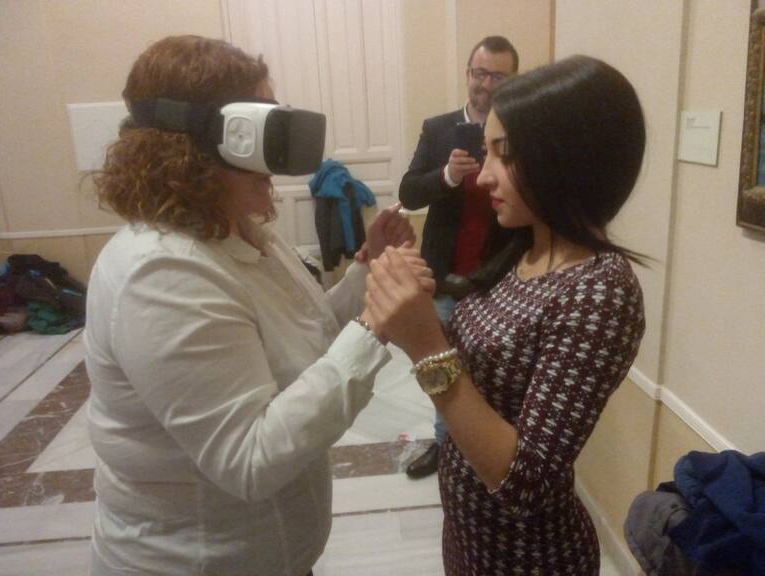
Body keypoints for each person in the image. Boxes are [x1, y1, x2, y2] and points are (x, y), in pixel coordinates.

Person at [84, 35, 431, 576]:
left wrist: (369, 272)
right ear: (200, 146)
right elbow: (249, 460)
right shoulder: (161, 273)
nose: (278, 155)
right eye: (263, 127)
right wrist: (374, 327)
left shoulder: (238, 232)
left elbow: (311, 333)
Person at [365, 55, 647, 575]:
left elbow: (524, 484)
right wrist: (412, 288)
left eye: (504, 154)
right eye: (484, 152)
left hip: (529, 559)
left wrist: (426, 346)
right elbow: (480, 365)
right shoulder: (522, 249)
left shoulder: (598, 289)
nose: (484, 176)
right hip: (468, 536)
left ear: (567, 159)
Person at [399, 35, 519, 478]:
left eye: (499, 76)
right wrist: (447, 175)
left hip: (498, 279)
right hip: (446, 276)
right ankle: (443, 446)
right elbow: (408, 192)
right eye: (480, 73)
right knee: (440, 365)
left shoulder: (520, 132)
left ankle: (481, 450)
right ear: (468, 74)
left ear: (513, 81)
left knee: (490, 371)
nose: (487, 84)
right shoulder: (438, 129)